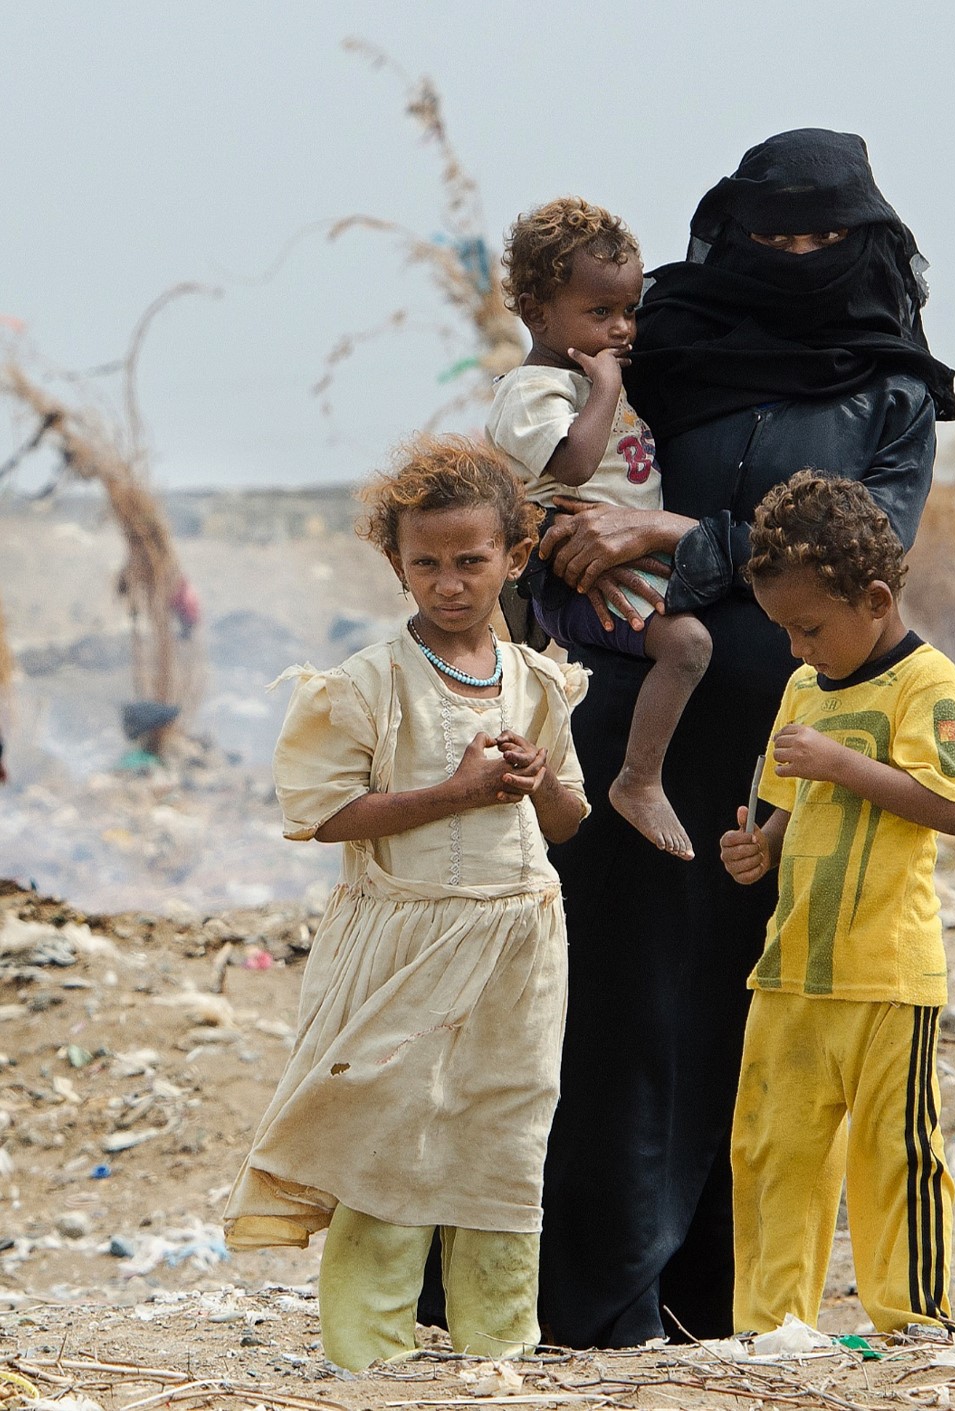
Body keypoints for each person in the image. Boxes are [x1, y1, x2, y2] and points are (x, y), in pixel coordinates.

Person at [474, 129, 955, 1348]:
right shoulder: (670, 344)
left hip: (793, 743)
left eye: (821, 236)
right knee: (619, 1008)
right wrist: (577, 537)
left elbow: (867, 546)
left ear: (866, 240)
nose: (794, 257)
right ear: (728, 235)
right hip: (632, 723)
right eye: (771, 235)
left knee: (759, 1014)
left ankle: (723, 1302)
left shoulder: (892, 389)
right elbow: (560, 466)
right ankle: (589, 1298)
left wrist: (668, 534)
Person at [224, 436, 589, 1371]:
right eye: (425, 562)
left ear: (515, 556)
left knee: (504, 1129)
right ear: (397, 564)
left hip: (519, 939)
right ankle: (368, 1358)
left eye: (471, 561)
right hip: (405, 940)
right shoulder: (369, 685)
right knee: (392, 1129)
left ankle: (499, 1349)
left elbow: (570, 818)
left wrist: (541, 781)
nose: (450, 582)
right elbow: (326, 814)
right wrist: (457, 794)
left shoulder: (538, 681)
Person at [719, 471, 955, 1335]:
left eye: (810, 627)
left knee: (894, 1156)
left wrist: (843, 764)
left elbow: (952, 805)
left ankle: (912, 1324)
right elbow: (788, 813)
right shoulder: (802, 691)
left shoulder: (926, 682)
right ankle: (770, 1327)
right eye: (786, 629)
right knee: (770, 1152)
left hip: (885, 974)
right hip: (792, 968)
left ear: (873, 598)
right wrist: (759, 849)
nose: (797, 649)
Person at [488, 197, 711, 861]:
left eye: (629, 312)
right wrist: (607, 390)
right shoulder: (533, 391)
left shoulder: (595, 375)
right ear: (536, 312)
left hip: (633, 559)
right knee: (689, 645)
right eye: (599, 313)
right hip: (584, 578)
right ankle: (638, 780)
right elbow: (576, 463)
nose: (621, 331)